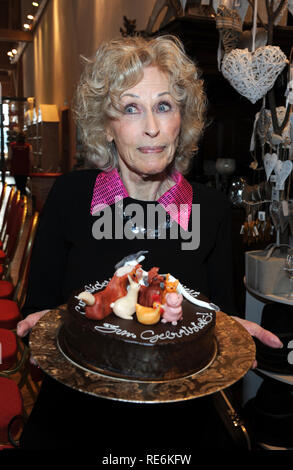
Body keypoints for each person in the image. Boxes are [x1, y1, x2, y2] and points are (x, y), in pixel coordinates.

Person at [17, 35, 282, 451]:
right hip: (79, 417)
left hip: (183, 422)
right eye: (130, 109)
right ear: (106, 125)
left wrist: (231, 331)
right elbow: (38, 311)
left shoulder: (210, 210)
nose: (152, 128)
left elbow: (218, 317)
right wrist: (43, 330)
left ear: (183, 118)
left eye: (163, 106)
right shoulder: (70, 198)